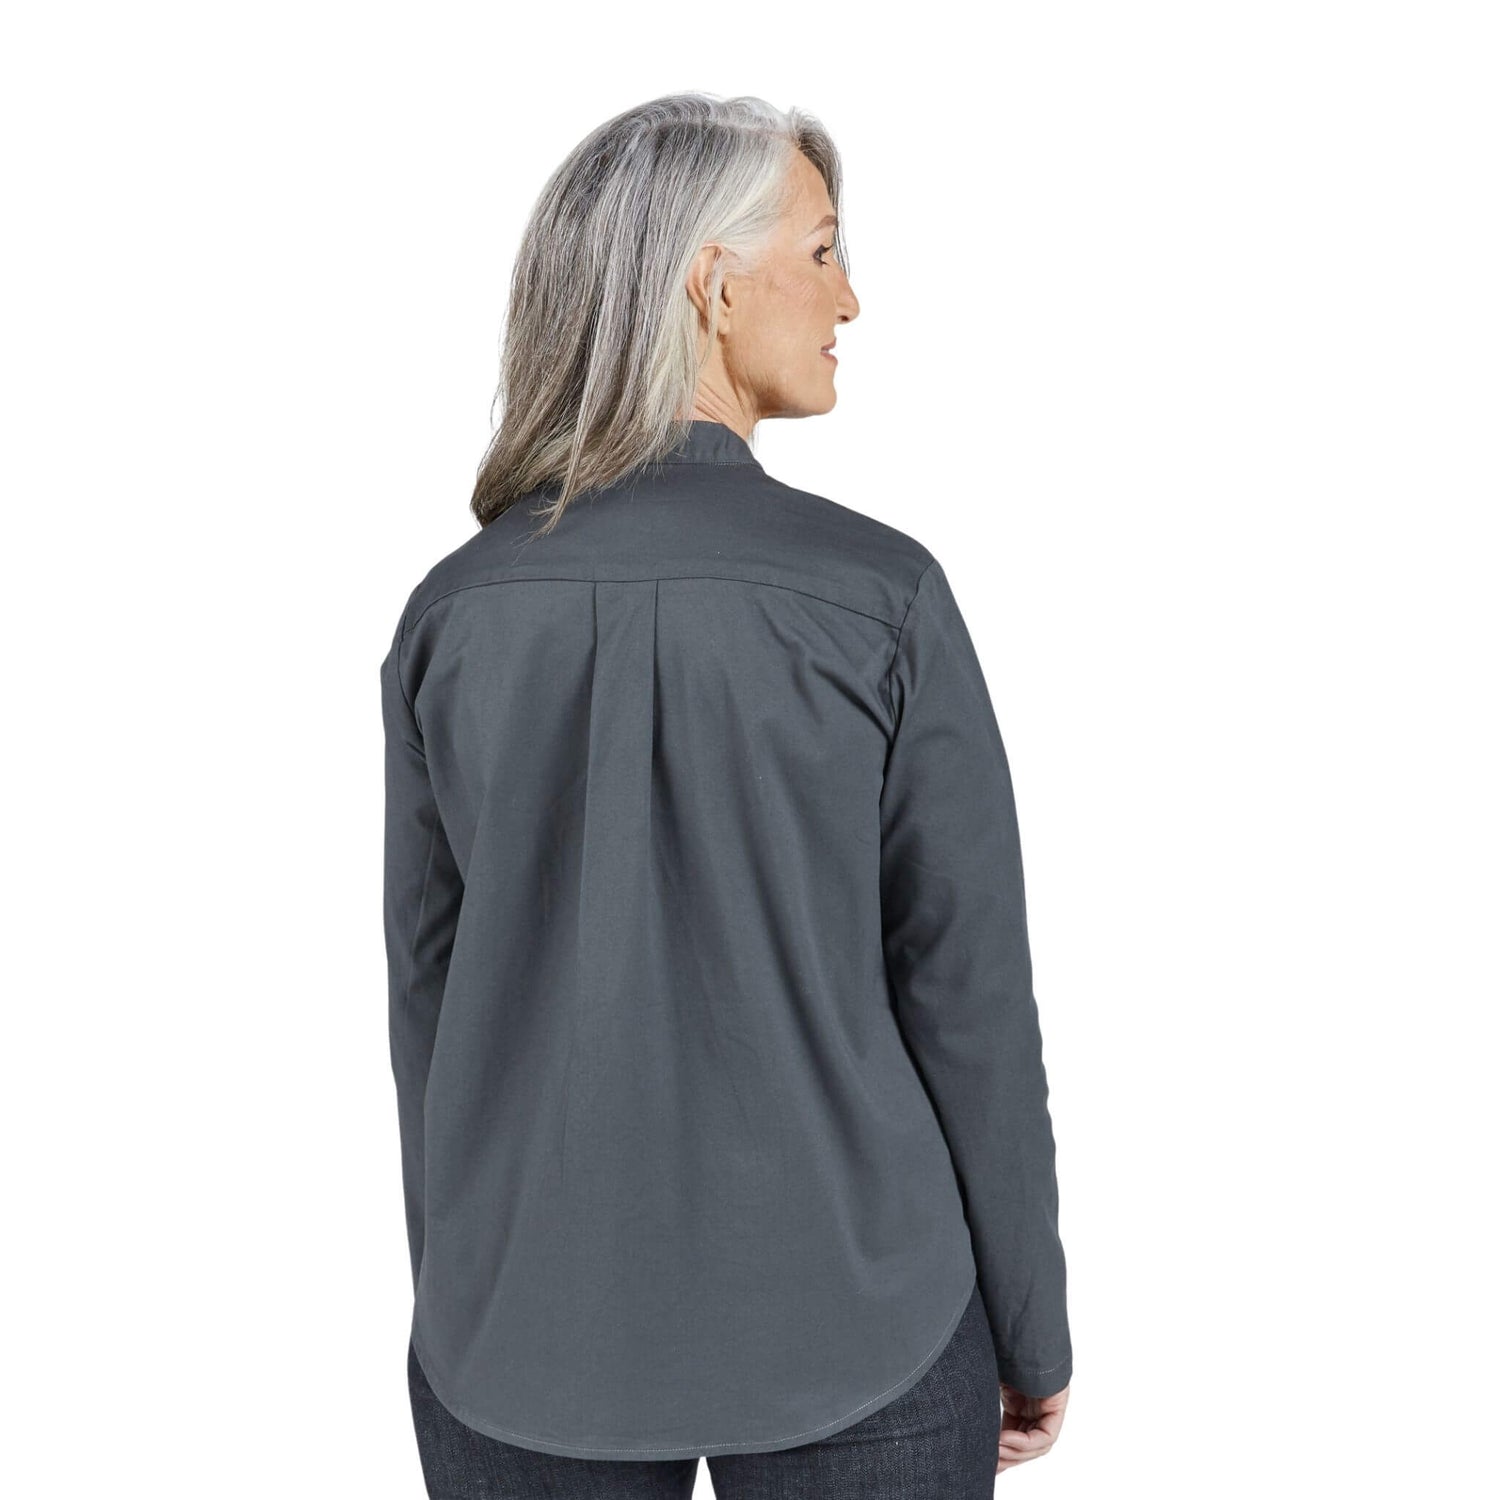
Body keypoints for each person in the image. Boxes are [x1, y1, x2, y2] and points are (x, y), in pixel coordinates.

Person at [381, 92, 1072, 1499]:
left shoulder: (454, 612)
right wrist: (1029, 1317)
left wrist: (465, 1283)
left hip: (523, 1335)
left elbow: (429, 996)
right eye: (822, 251)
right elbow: (968, 995)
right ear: (712, 282)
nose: (851, 298)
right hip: (865, 1313)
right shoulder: (881, 596)